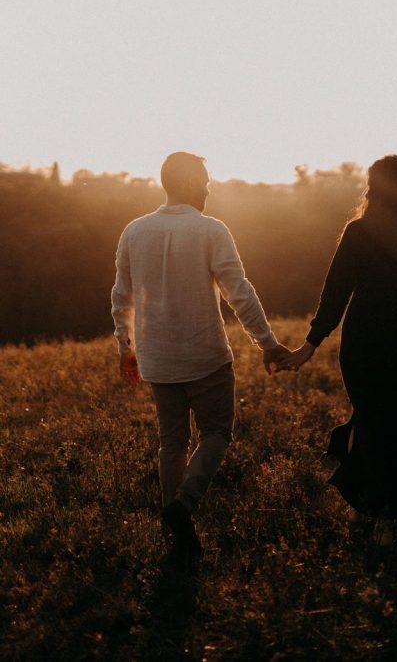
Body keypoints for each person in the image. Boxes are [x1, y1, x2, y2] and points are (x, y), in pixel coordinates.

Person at [111, 151, 291, 565]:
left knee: (171, 442)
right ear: (191, 184)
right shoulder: (210, 229)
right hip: (206, 356)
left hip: (158, 359)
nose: (209, 187)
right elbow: (239, 292)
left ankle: (177, 527)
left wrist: (127, 349)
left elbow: (122, 297)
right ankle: (184, 505)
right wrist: (267, 344)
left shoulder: (134, 231)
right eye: (205, 180)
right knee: (217, 434)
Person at [280, 155, 397, 547]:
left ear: (372, 188)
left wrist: (311, 344)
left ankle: (359, 507)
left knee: (370, 420)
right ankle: (386, 521)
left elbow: (335, 292)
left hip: (364, 340)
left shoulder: (359, 231)